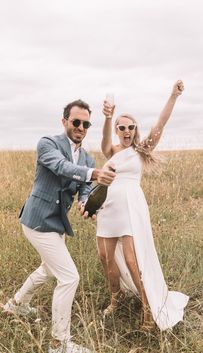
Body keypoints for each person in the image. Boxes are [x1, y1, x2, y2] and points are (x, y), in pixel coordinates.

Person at [0, 99, 115, 353]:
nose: (81, 127)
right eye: (76, 122)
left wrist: (87, 204)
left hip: (57, 224)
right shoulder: (48, 144)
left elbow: (84, 190)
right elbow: (62, 168)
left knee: (48, 269)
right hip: (38, 221)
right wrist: (94, 174)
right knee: (69, 277)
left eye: (86, 124)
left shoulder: (87, 156)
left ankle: (16, 304)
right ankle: (59, 343)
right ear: (64, 121)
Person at [95, 81, 189, 331]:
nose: (126, 130)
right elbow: (104, 138)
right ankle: (116, 297)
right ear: (117, 130)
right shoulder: (111, 150)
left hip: (130, 207)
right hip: (108, 208)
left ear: (135, 129)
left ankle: (148, 309)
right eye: (121, 127)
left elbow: (161, 124)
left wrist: (173, 96)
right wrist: (107, 117)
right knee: (105, 258)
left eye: (130, 127)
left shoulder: (141, 149)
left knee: (132, 260)